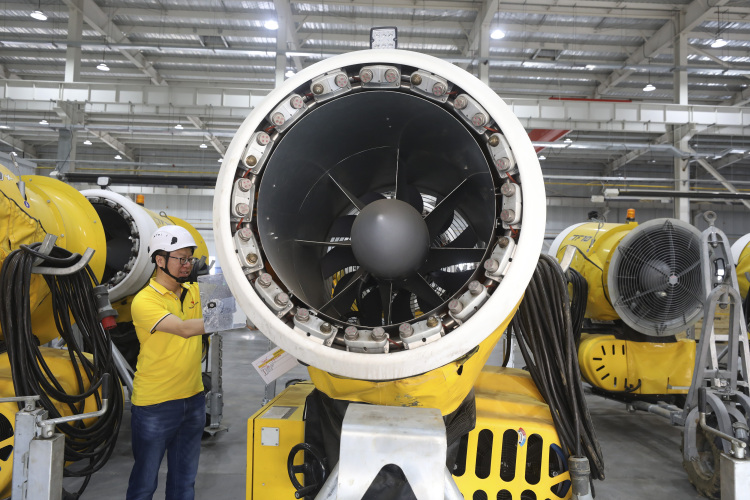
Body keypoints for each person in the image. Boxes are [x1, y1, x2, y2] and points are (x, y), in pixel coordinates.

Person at [126, 225, 206, 500]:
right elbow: (183, 328)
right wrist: (229, 320)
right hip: (155, 405)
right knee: (144, 485)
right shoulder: (144, 301)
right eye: (181, 259)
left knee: (184, 484)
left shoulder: (195, 291)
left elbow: (233, 297)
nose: (187, 265)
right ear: (160, 260)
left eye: (190, 259)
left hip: (194, 399)